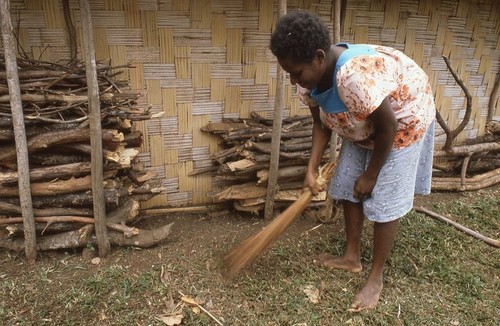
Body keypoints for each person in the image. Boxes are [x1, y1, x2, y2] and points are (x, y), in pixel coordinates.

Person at [269, 10, 436, 311]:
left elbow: (388, 128)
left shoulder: (354, 78)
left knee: (384, 200)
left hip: (404, 119)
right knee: (347, 184)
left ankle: (376, 278)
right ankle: (351, 257)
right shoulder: (307, 81)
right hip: (364, 121)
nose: (294, 79)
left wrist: (372, 174)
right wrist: (311, 168)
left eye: (297, 72)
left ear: (319, 57)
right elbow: (320, 123)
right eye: (288, 73)